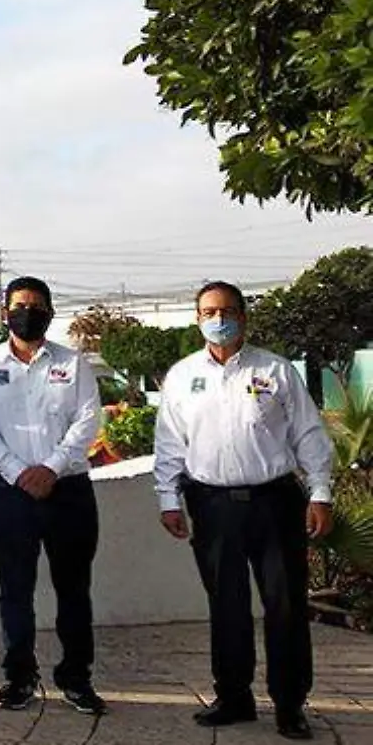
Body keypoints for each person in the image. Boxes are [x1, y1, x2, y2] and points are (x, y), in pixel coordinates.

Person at [154, 281, 334, 740]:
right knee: (227, 606)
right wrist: (168, 499)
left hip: (274, 502)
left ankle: (290, 704)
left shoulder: (275, 370)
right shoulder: (181, 377)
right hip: (212, 506)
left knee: (286, 605)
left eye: (228, 310)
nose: (219, 319)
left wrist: (321, 492)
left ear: (244, 316)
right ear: (197, 319)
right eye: (210, 311)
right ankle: (233, 697)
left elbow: (308, 434)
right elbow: (170, 445)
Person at [0, 276, 107, 715]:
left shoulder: (73, 363)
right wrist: (19, 471)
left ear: (50, 311)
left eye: (38, 305)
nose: (29, 311)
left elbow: (87, 420)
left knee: (74, 590)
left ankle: (77, 678)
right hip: (7, 494)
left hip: (69, 492)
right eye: (20, 305)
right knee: (14, 590)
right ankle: (19, 677)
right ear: (6, 312)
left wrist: (52, 468)